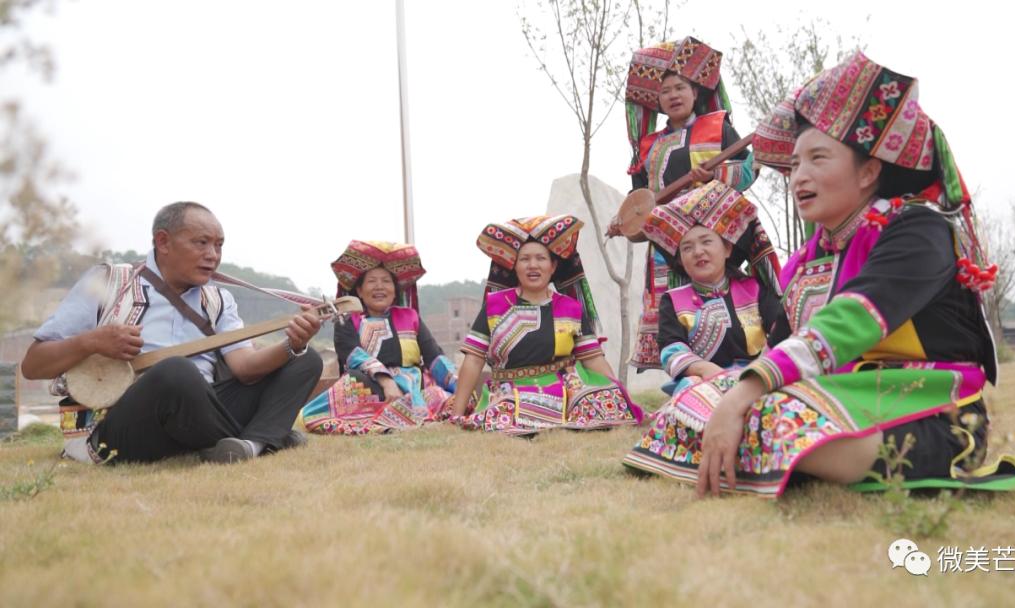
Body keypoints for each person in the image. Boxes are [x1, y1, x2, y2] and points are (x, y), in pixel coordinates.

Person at [624, 51, 1015, 497]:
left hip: (928, 408)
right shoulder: (810, 257)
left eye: (818, 159)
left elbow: (847, 323)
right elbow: (782, 344)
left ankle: (763, 452)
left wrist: (744, 395)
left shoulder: (918, 230)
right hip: (834, 393)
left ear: (868, 171)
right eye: (795, 164)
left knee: (771, 416)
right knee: (692, 401)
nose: (798, 177)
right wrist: (731, 391)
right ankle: (759, 451)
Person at [21, 201, 323, 464]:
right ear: (163, 242)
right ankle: (268, 436)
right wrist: (92, 342)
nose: (213, 255)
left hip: (202, 412)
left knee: (304, 359)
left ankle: (251, 445)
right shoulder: (108, 282)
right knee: (176, 372)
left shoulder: (219, 301)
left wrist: (292, 344)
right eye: (201, 243)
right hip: (120, 422)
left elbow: (245, 368)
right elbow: (33, 365)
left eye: (219, 245)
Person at [623, 36, 758, 371]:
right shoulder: (649, 146)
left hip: (715, 236)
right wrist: (625, 219)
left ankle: (738, 368)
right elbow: (639, 196)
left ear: (695, 92)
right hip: (666, 243)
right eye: (665, 90)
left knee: (727, 305)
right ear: (658, 100)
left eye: (680, 87)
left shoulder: (718, 127)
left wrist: (714, 177)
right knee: (673, 308)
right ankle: (684, 376)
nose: (673, 95)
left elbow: (749, 169)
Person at [448, 214, 641, 435]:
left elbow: (593, 359)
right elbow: (474, 360)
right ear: (515, 266)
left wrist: (621, 396)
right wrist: (457, 415)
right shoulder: (495, 306)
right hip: (510, 390)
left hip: (566, 387)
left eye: (541, 258)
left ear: (553, 266)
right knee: (505, 410)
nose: (533, 265)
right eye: (525, 259)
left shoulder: (571, 308)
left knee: (597, 399)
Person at [642, 180, 784, 396]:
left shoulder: (753, 289)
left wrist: (761, 371)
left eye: (706, 242)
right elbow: (671, 348)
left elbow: (780, 330)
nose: (698, 252)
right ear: (680, 260)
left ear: (727, 248)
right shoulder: (673, 300)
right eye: (687, 248)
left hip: (759, 378)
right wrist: (704, 370)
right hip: (703, 384)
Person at [300, 241, 456, 435]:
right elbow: (354, 357)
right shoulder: (346, 320)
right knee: (351, 383)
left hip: (416, 388)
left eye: (386, 281)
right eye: (372, 281)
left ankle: (398, 417)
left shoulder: (410, 317)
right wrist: (387, 381)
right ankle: (394, 418)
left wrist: (458, 384)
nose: (379, 287)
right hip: (371, 388)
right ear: (359, 291)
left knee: (443, 396)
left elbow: (434, 357)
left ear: (395, 290)